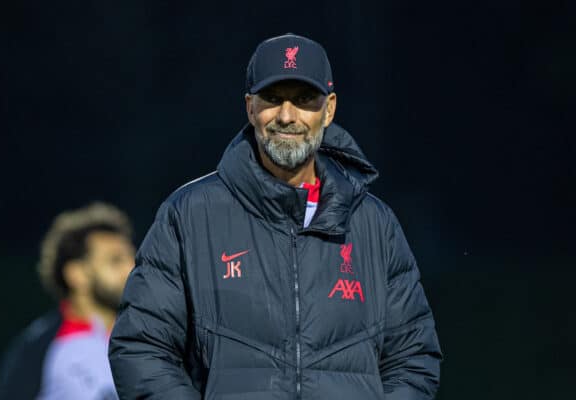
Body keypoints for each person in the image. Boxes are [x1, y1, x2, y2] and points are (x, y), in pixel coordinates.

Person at [109, 33, 442, 399]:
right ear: (250, 108)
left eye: (303, 100)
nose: (287, 116)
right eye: (272, 98)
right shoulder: (188, 215)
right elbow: (141, 349)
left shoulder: (375, 225)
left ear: (329, 109)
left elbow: (413, 358)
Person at [0, 202, 135, 400]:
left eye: (132, 259)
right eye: (115, 261)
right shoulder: (40, 346)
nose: (132, 269)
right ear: (76, 274)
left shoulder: (148, 337)